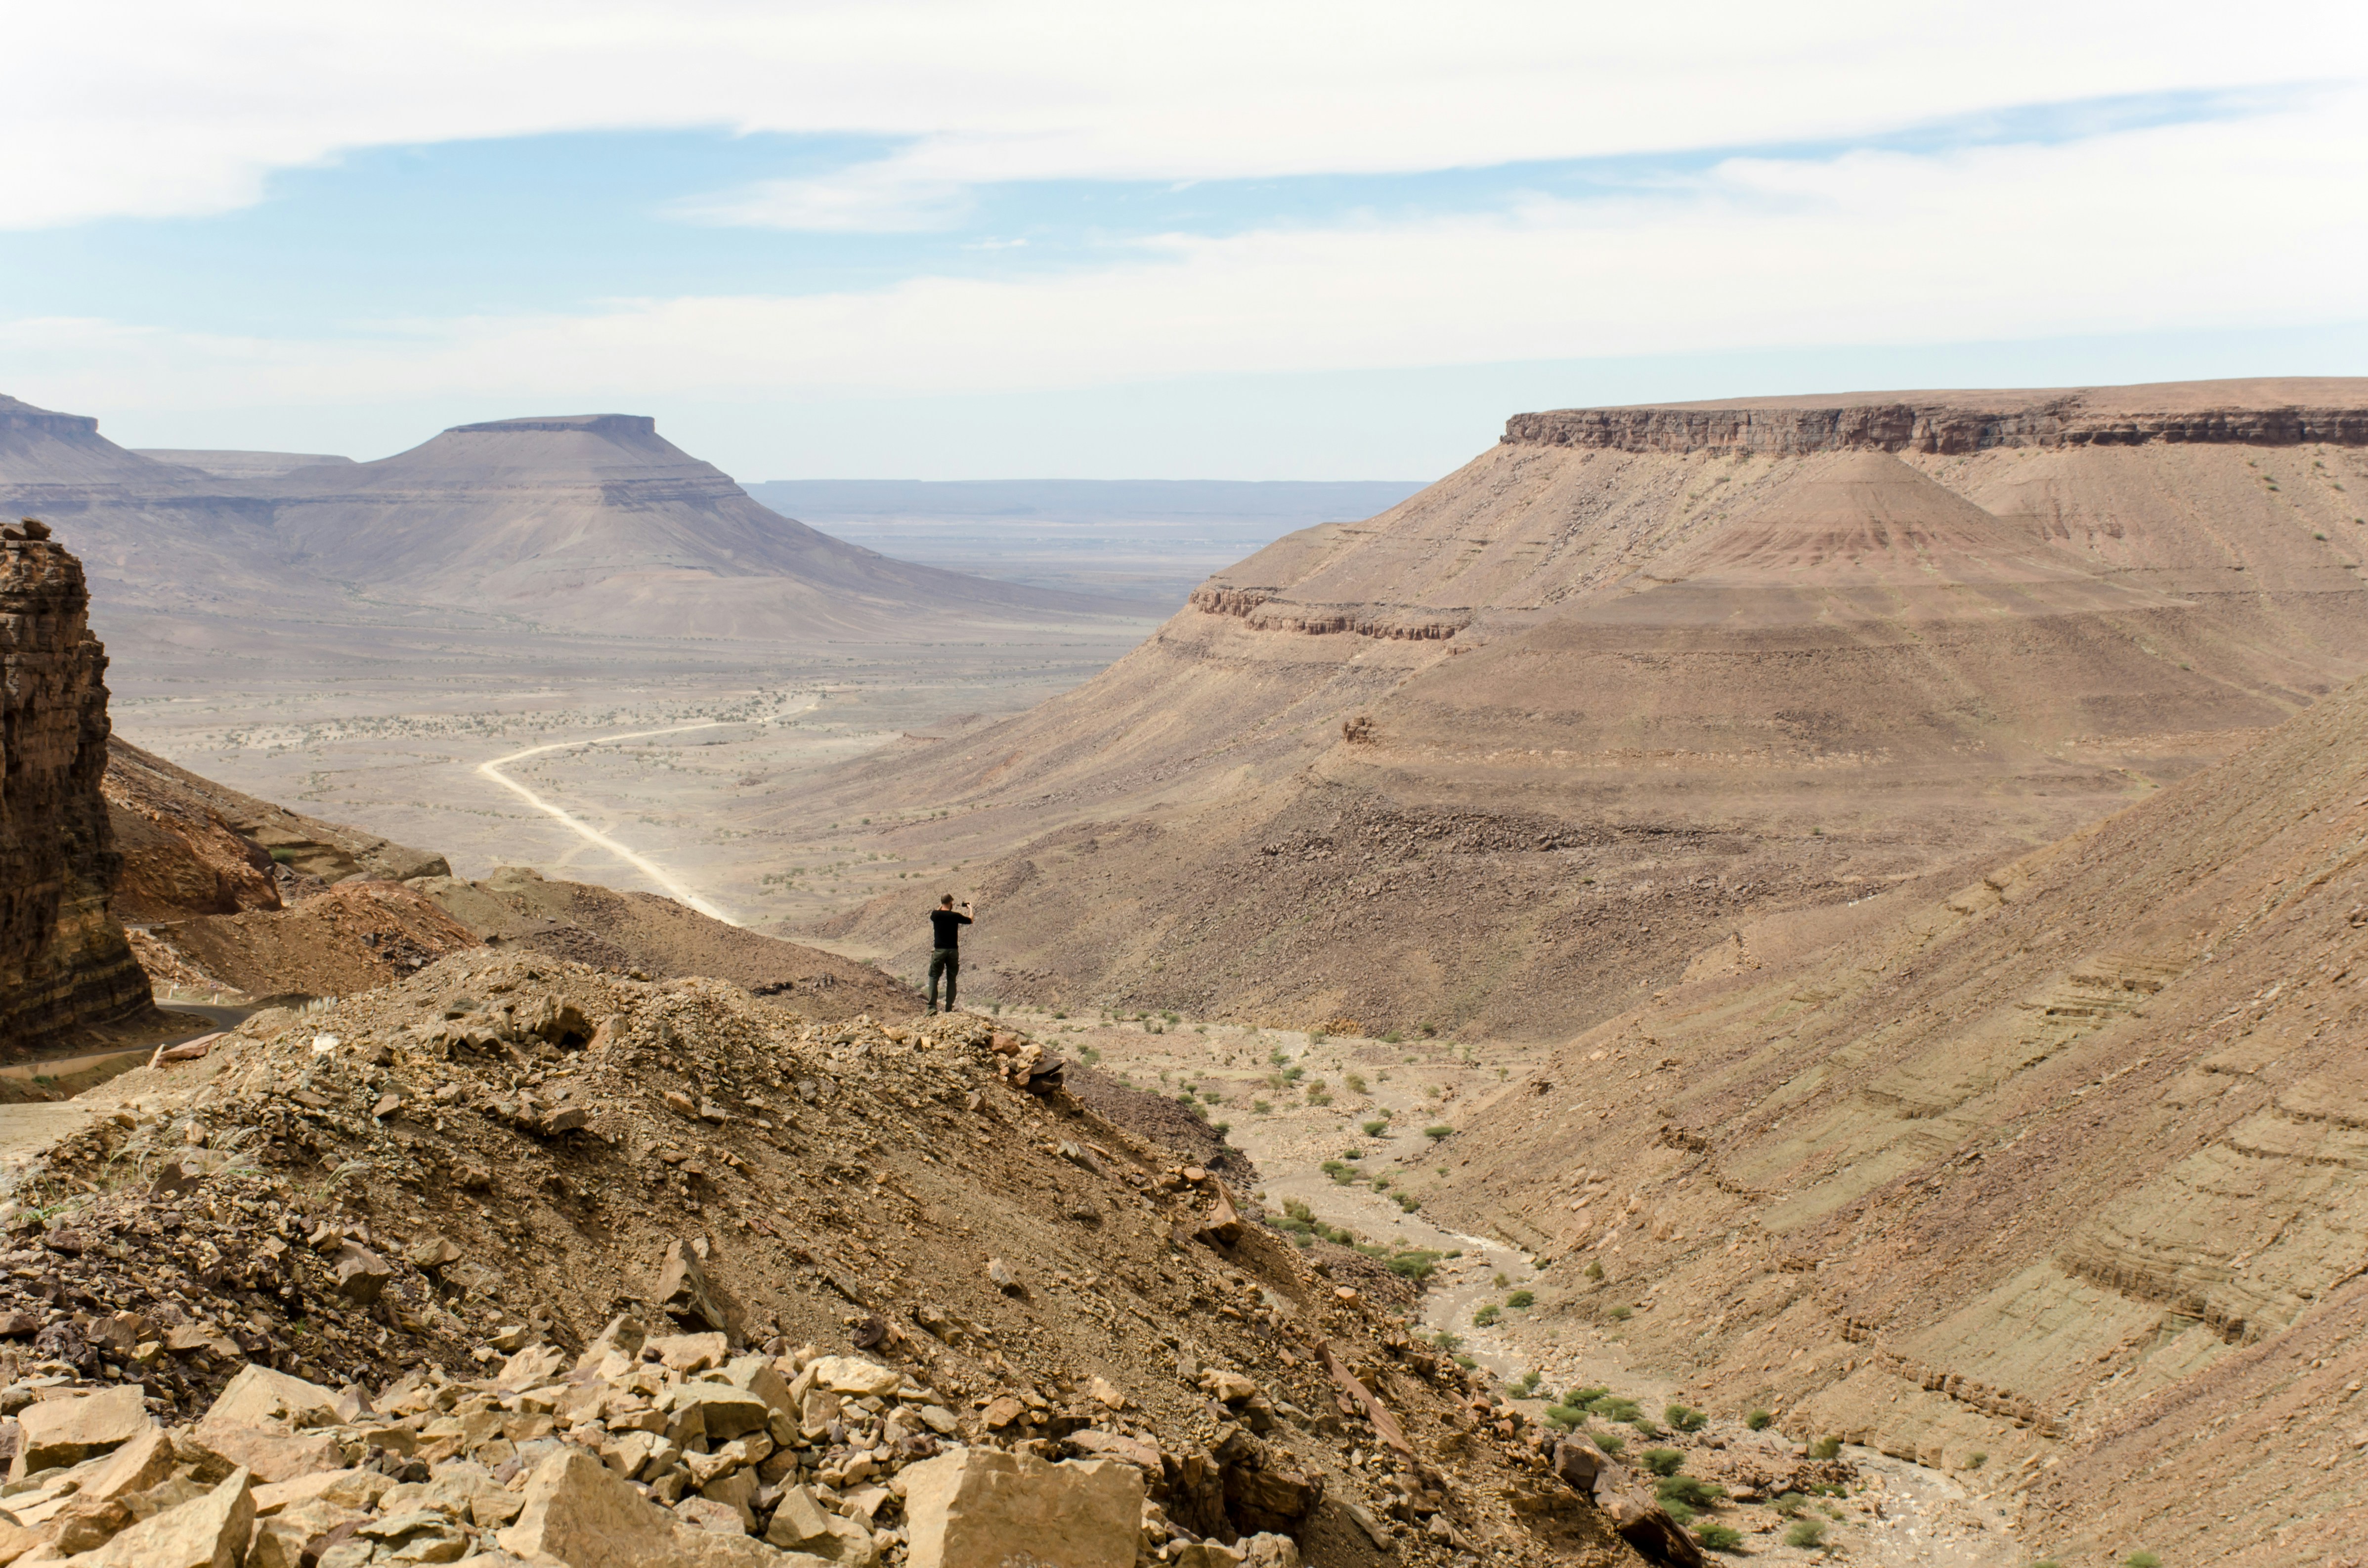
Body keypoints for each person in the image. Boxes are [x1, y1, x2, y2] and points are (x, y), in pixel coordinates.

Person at [927, 893, 972, 1014]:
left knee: (934, 977)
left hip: (939, 951)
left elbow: (937, 911)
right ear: (951, 902)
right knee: (951, 979)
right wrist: (971, 908)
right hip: (953, 951)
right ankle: (949, 1008)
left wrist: (942, 905)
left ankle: (932, 1008)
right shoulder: (955, 916)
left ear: (941, 903)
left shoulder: (935, 915)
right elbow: (970, 920)